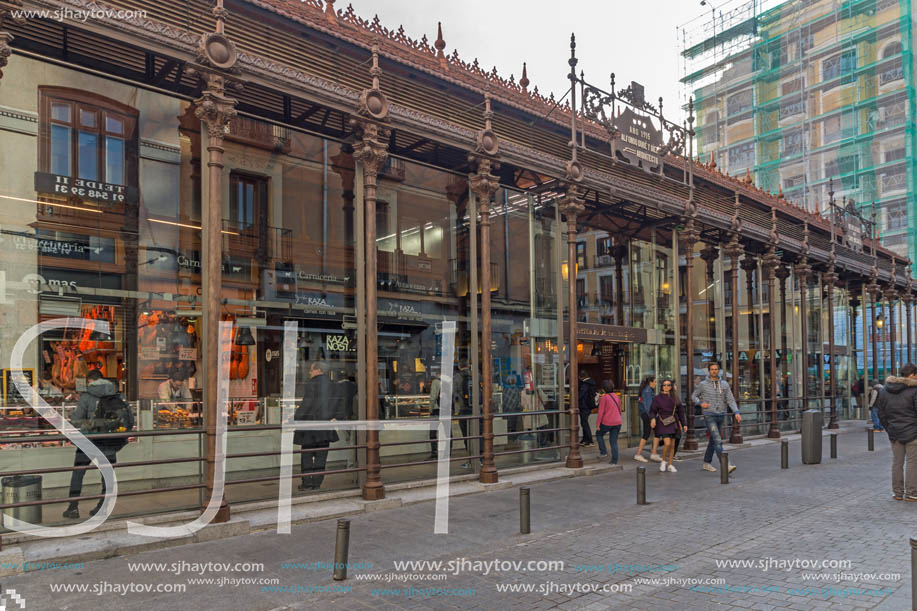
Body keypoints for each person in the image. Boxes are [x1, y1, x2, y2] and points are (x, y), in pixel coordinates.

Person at [63, 370, 134, 519]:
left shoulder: (86, 396)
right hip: (110, 440)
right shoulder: (117, 395)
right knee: (107, 475)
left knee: (78, 473)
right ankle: (102, 507)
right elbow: (130, 420)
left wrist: (74, 418)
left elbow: (77, 419)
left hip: (88, 441)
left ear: (90, 381)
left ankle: (73, 507)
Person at [293, 362, 341, 491]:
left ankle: (307, 484)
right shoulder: (333, 385)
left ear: (318, 370)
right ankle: (317, 484)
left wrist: (296, 417)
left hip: (310, 426)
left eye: (311, 370)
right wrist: (332, 416)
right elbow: (337, 403)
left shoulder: (312, 384)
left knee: (307, 456)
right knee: (321, 456)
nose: (309, 372)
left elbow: (307, 404)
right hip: (325, 426)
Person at [875, 364, 917, 501]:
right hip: (913, 432)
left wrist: (889, 427)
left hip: (894, 432)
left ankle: (897, 493)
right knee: (912, 462)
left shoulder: (885, 391)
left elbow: (881, 413)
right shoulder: (914, 390)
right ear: (912, 375)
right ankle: (911, 492)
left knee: (897, 463)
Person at [692, 362, 740, 474]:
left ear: (719, 370)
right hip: (709, 415)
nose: (714, 371)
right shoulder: (703, 384)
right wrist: (700, 403)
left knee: (713, 440)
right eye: (712, 369)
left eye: (716, 369)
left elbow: (730, 399)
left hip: (721, 415)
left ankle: (706, 462)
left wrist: (736, 412)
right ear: (709, 371)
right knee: (718, 440)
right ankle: (726, 464)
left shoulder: (724, 384)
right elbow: (693, 396)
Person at [649, 379, 686, 473]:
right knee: (667, 443)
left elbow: (681, 412)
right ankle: (663, 461)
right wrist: (652, 418)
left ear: (671, 387)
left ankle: (670, 464)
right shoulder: (657, 398)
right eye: (664, 385)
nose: (666, 386)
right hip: (663, 422)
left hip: (674, 422)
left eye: (668, 385)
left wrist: (684, 424)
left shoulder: (675, 397)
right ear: (662, 386)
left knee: (673, 445)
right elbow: (652, 410)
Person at [634, 375, 662, 463]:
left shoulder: (647, 390)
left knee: (656, 432)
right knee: (647, 433)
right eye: (655, 382)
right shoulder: (647, 391)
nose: (656, 383)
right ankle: (639, 454)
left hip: (647, 414)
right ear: (650, 382)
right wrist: (652, 418)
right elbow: (648, 406)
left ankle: (653, 453)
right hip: (648, 415)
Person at [595, 380, 622, 465]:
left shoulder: (604, 398)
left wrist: (598, 424)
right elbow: (620, 410)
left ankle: (603, 451)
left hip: (607, 422)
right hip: (617, 422)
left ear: (603, 389)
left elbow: (601, 412)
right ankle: (614, 461)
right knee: (613, 442)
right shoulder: (617, 397)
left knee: (598, 434)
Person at [577, 370, 596, 447]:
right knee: (583, 422)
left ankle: (589, 440)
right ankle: (585, 440)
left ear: (581, 377)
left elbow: (581, 395)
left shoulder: (585, 384)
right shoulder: (591, 383)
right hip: (588, 406)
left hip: (584, 406)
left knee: (584, 423)